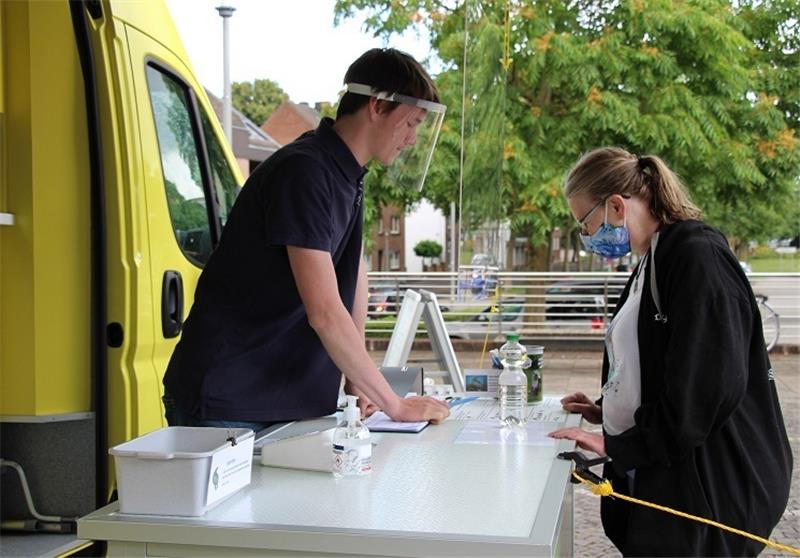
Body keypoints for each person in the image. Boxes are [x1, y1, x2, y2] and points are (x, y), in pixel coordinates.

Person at [162, 48, 450, 431]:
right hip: (231, 398)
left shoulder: (347, 174)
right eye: (411, 123)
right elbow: (325, 312)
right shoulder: (306, 171)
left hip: (279, 397)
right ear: (378, 106)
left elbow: (352, 275)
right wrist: (394, 404)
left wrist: (360, 380)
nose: (413, 139)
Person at [549, 147, 792, 556]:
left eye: (585, 223)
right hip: (668, 469)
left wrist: (621, 446)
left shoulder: (696, 255)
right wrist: (606, 408)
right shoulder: (653, 258)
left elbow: (709, 384)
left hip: (710, 483)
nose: (587, 236)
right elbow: (654, 360)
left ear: (615, 205)